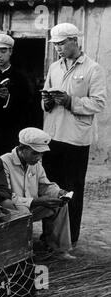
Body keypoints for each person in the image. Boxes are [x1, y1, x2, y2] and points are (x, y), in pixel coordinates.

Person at [41, 23, 107, 247]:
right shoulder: (54, 68)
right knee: (51, 186)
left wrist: (71, 101)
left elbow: (99, 103)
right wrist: (47, 101)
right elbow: (46, 97)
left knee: (72, 189)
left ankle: (69, 238)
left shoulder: (92, 69)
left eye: (61, 43)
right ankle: (49, 234)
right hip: (53, 135)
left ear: (74, 41)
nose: (57, 48)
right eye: (55, 44)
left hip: (76, 138)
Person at [1, 128, 75, 259]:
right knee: (22, 210)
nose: (39, 157)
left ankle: (57, 249)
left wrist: (59, 193)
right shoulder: (4, 162)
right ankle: (21, 253)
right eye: (35, 153)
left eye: (41, 154)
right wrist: (37, 201)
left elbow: (44, 186)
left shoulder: (35, 163)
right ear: (22, 148)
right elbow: (5, 196)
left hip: (31, 206)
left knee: (60, 205)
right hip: (11, 209)